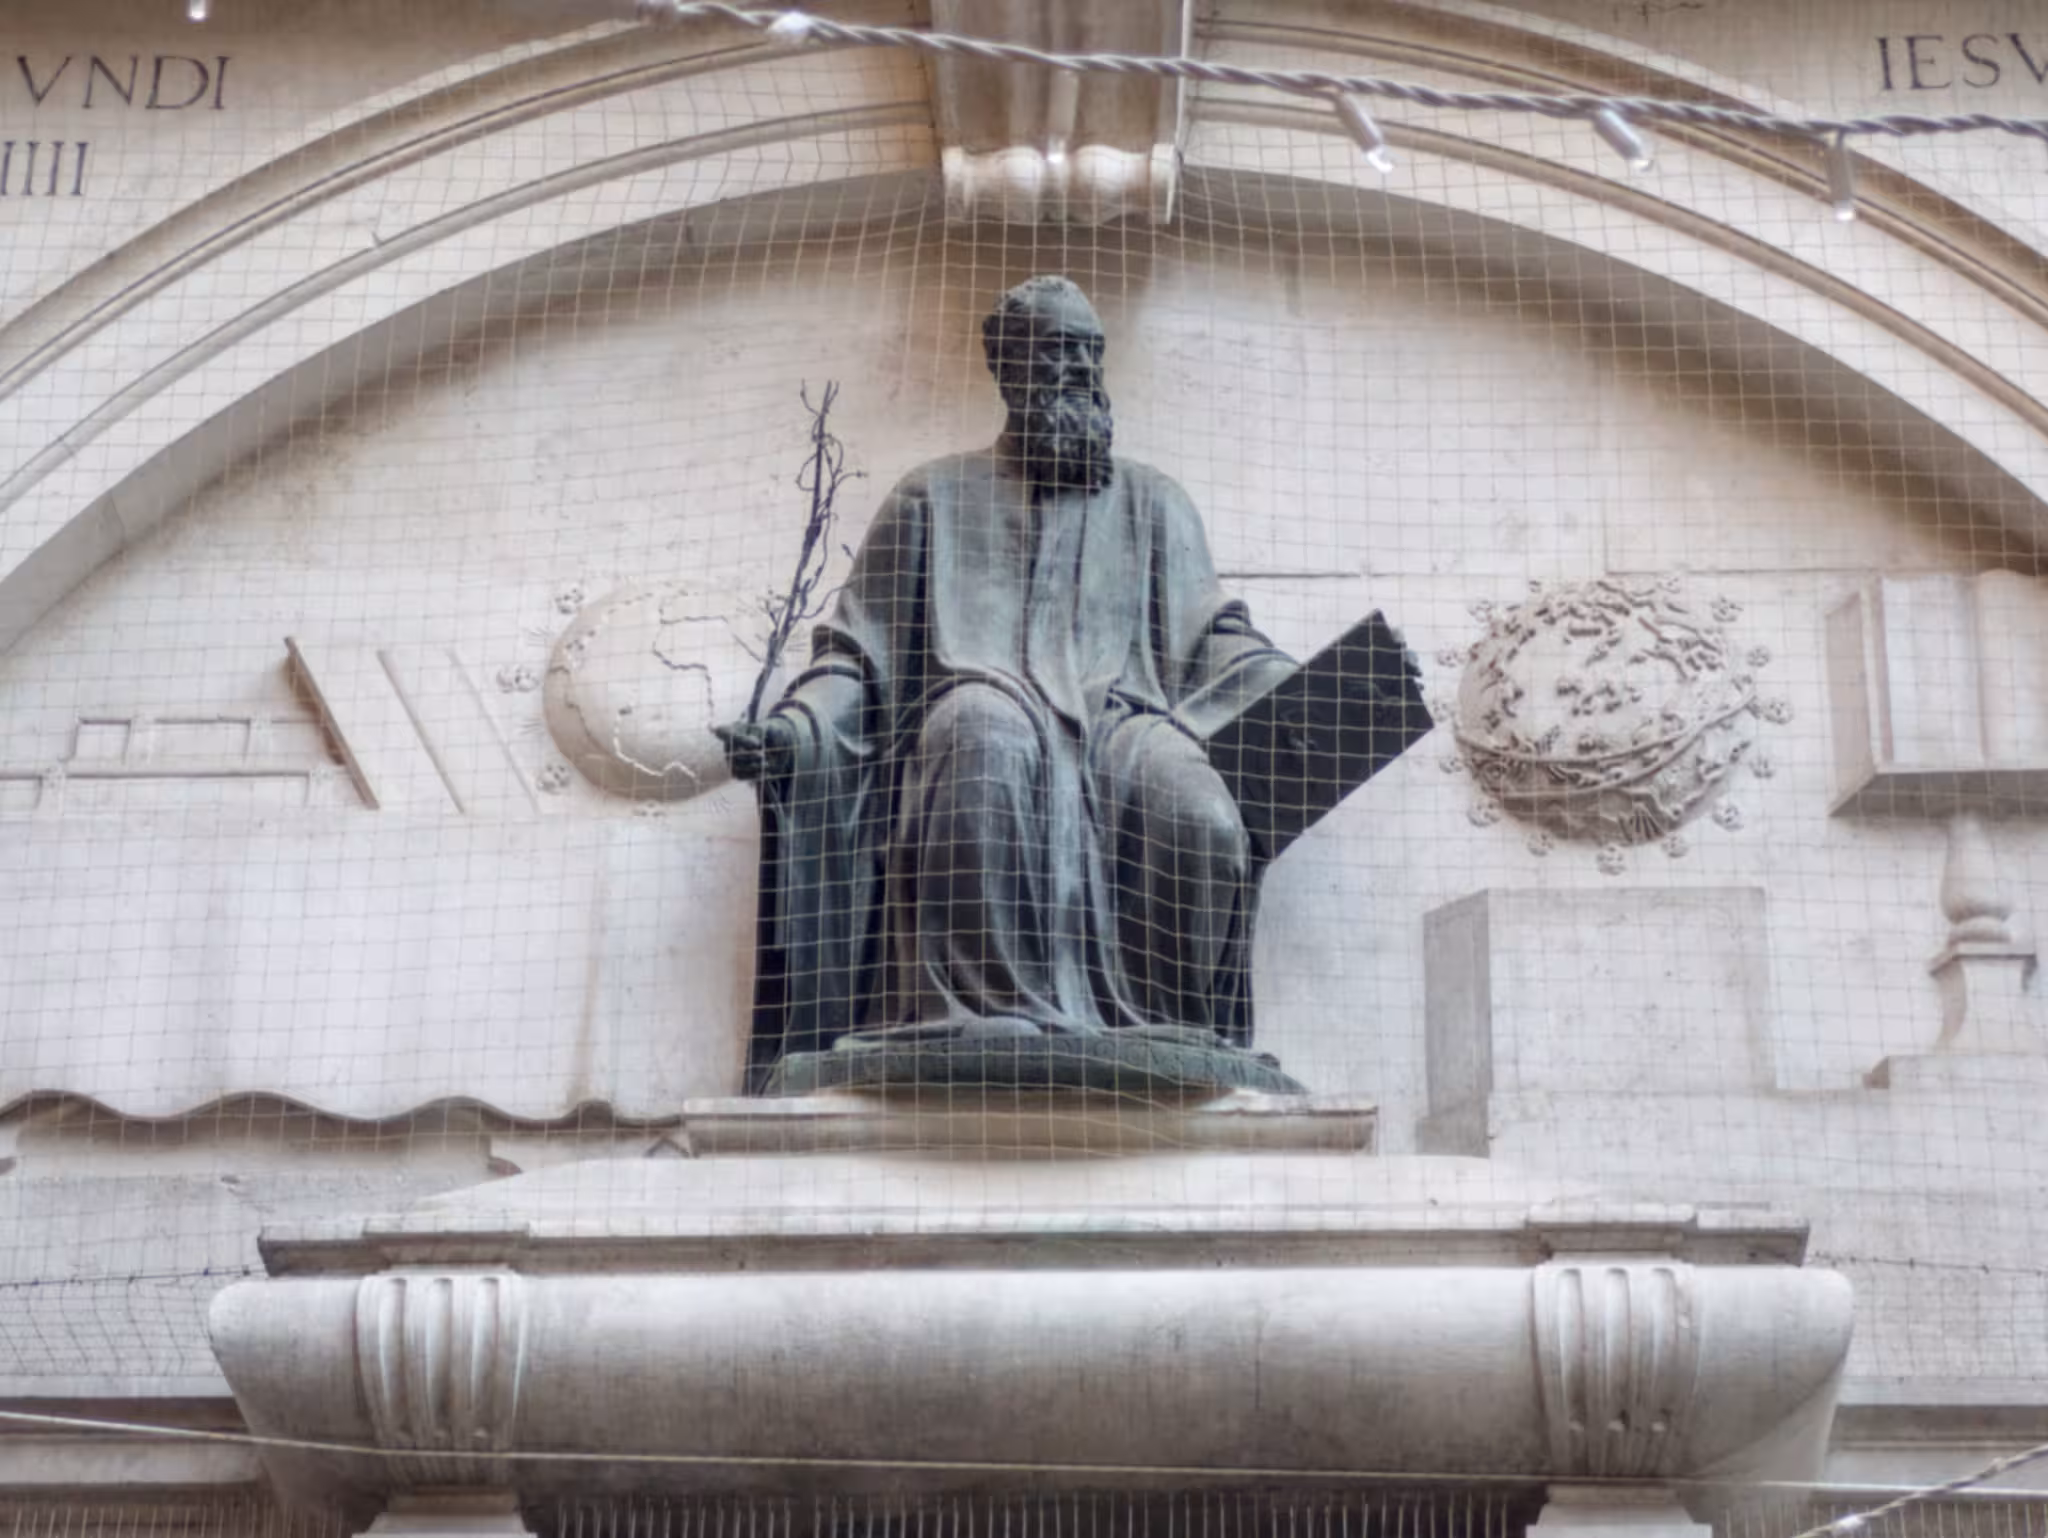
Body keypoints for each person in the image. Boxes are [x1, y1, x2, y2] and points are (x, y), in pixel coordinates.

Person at [720, 276, 1299, 1082]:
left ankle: (1168, 1028)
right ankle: (981, 1019)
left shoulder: (1155, 502)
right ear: (1008, 368)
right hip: (980, 702)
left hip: (1121, 726)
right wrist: (793, 731)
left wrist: (1304, 693)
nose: (1076, 371)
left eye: (1088, 353)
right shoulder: (931, 496)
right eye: (1056, 351)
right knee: (982, 736)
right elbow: (858, 655)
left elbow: (1215, 640)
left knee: (1197, 807)